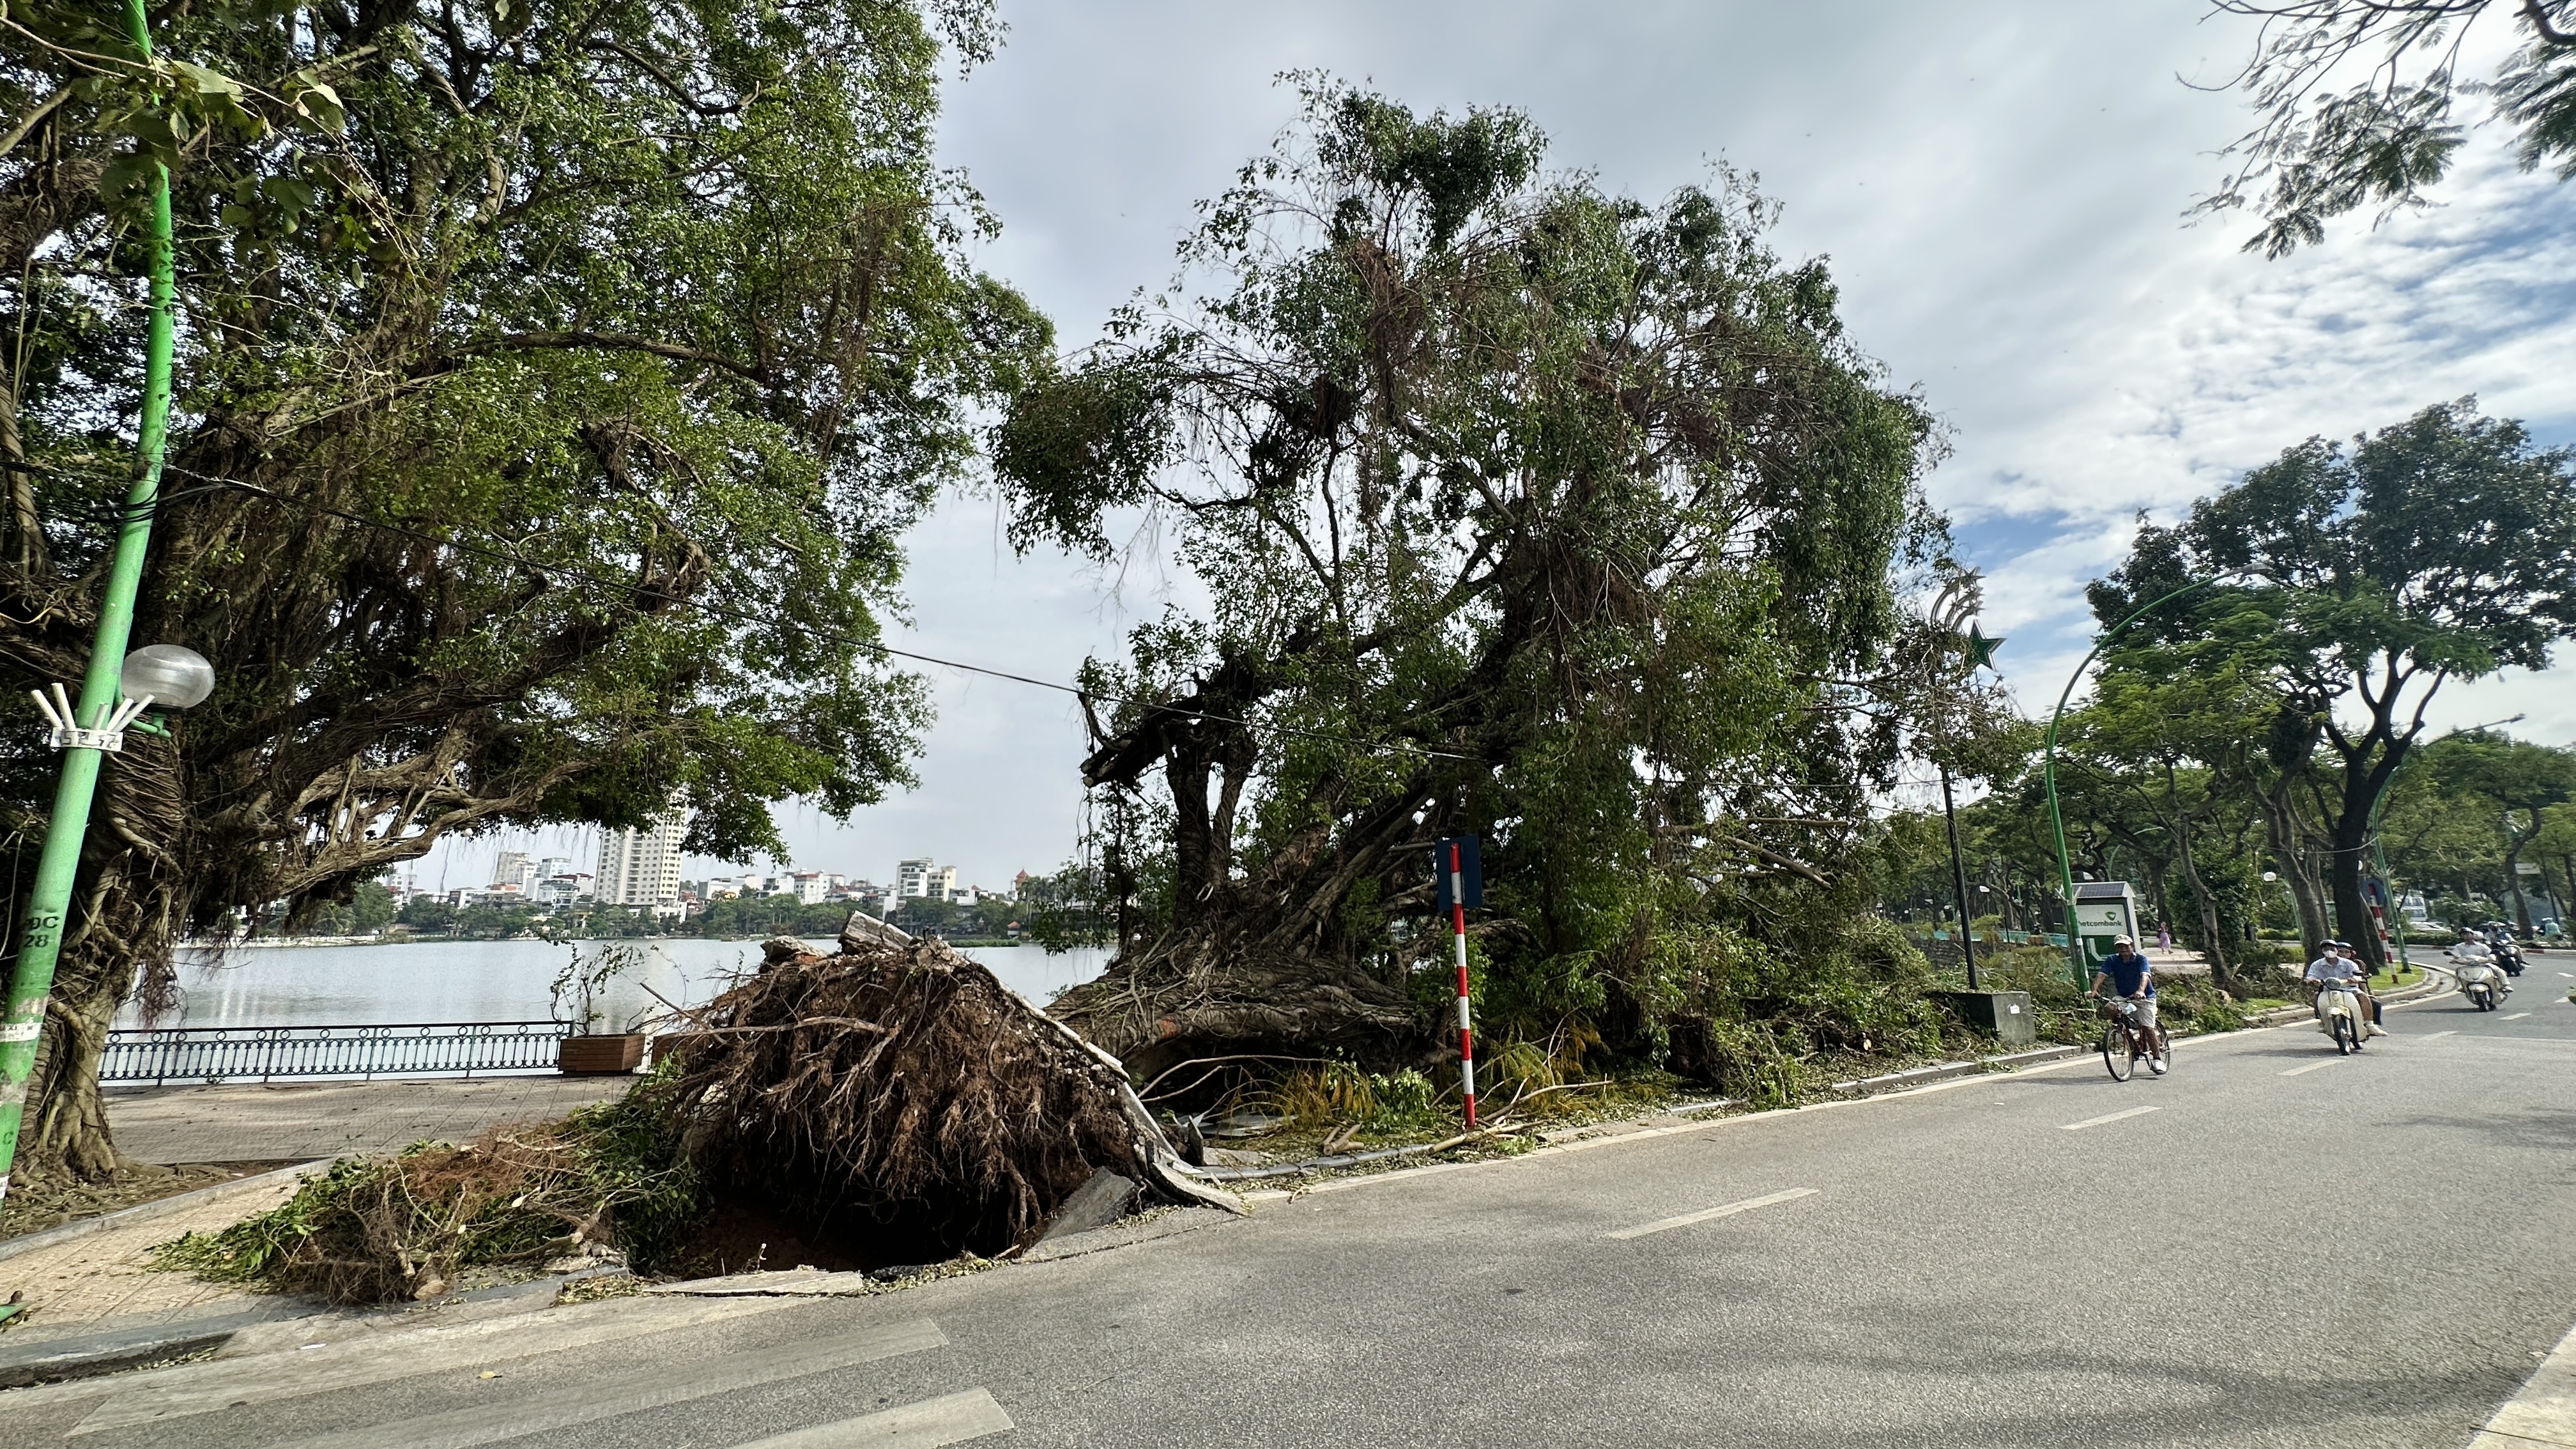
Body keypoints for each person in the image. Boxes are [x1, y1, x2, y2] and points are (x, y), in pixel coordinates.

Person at [2092, 935, 2166, 1075]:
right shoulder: (2113, 960)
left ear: (2132, 946)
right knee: (2110, 1007)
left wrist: (2141, 990)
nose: (2124, 949)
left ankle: (2157, 1059)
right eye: (2120, 946)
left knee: (2148, 1028)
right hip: (2125, 996)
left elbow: (2145, 976)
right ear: (2117, 948)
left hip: (2145, 997)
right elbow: (2102, 975)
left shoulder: (2140, 959)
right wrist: (2095, 989)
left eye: (2126, 946)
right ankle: (2122, 1031)